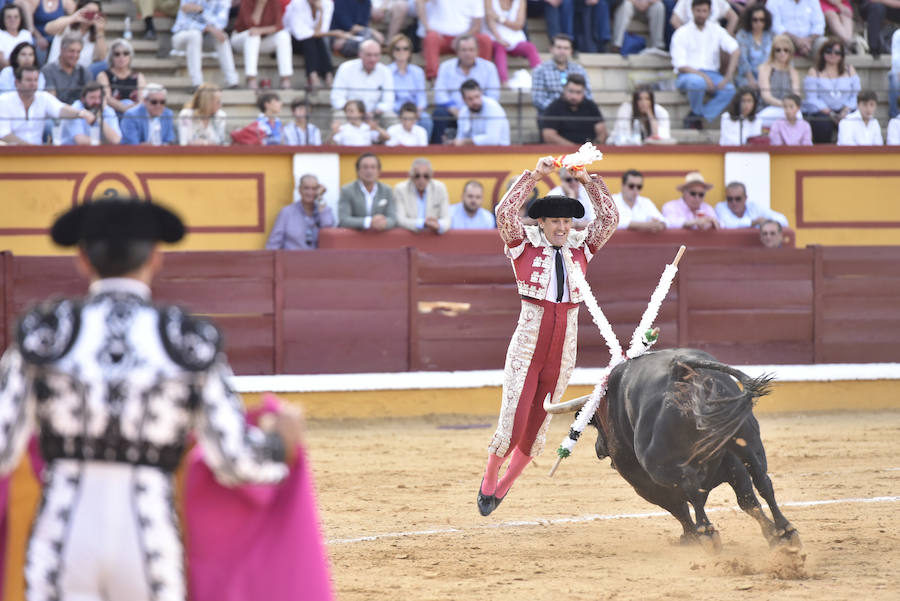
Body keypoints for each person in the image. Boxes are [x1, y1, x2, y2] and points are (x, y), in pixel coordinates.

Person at [0, 197, 303, 600]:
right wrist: (280, 443)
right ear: (156, 258)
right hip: (148, 541)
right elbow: (236, 460)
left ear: (82, 260)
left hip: (62, 537)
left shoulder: (43, 334)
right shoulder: (185, 340)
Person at [476, 154, 618, 517]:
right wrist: (535, 175)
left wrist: (588, 180)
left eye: (567, 221)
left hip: (563, 350)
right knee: (514, 420)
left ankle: (504, 487)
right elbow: (504, 213)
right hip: (528, 346)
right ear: (542, 221)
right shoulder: (523, 242)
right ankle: (490, 475)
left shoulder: (581, 246)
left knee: (538, 427)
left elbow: (610, 219)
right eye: (555, 220)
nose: (562, 227)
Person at [670, 0, 739, 128]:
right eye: (698, 11)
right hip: (687, 75)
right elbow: (680, 65)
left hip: (712, 75)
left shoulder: (716, 30)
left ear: (709, 12)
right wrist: (704, 77)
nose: (701, 14)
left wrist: (728, 76)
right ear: (692, 11)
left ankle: (698, 116)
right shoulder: (681, 33)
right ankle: (696, 113)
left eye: (704, 11)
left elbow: (735, 49)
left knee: (730, 90)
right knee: (697, 83)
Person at [431, 34, 501, 144]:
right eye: (464, 50)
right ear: (457, 52)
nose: (467, 53)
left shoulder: (489, 67)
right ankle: (437, 151)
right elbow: (439, 94)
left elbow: (493, 95)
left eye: (471, 50)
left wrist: (474, 108)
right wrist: (456, 111)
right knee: (439, 113)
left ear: (477, 51)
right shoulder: (446, 67)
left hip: (479, 111)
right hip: (453, 112)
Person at [0, 63, 94, 143]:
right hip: (9, 156)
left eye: (35, 80)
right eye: (29, 80)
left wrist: (80, 113)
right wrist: (29, 148)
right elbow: (4, 134)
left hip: (38, 155)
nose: (33, 84)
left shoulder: (43, 97)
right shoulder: (4, 101)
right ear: (17, 83)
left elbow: (60, 110)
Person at [416, 0, 493, 80]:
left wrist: (462, 38)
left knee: (485, 39)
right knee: (431, 37)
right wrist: (427, 27)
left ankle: (483, 78)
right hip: (441, 39)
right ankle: (433, 78)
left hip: (466, 38)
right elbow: (419, 2)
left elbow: (477, 25)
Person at [171, 0, 239, 89]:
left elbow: (220, 24)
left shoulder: (223, 1)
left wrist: (202, 11)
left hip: (205, 38)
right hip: (181, 37)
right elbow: (184, 23)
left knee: (223, 37)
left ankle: (232, 81)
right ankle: (197, 83)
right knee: (195, 35)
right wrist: (206, 27)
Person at [803, 37, 859, 143]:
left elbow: (855, 96)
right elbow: (812, 99)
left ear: (842, 55)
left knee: (852, 120)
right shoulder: (814, 71)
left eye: (837, 52)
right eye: (829, 51)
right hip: (823, 111)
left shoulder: (850, 70)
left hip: (846, 110)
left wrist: (845, 111)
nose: (833, 55)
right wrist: (831, 113)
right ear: (822, 53)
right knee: (822, 123)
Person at [230, 0, 294, 90]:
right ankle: (251, 78)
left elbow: (279, 26)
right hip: (241, 39)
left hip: (262, 40)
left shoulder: (275, 2)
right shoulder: (246, 1)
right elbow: (251, 25)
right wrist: (260, 5)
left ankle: (285, 78)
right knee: (253, 36)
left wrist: (261, 30)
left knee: (284, 36)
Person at [329, 39, 395, 123]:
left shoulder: (385, 71)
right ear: (360, 54)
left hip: (375, 115)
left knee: (391, 117)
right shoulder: (346, 68)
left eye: (376, 55)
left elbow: (389, 101)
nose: (372, 59)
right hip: (350, 114)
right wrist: (354, 111)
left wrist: (375, 112)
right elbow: (336, 98)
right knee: (339, 116)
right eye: (369, 55)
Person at [266, 174, 336, 249]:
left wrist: (320, 198)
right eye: (306, 188)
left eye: (314, 189)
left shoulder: (323, 211)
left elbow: (328, 228)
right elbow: (274, 243)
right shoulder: (287, 212)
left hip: (317, 259)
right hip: (291, 258)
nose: (310, 192)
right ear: (299, 190)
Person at [530, 33, 593, 116]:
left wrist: (573, 110)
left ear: (571, 51)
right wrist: (560, 111)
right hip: (551, 116)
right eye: (559, 47)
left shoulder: (579, 70)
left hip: (576, 115)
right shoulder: (540, 70)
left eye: (566, 48)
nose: (562, 51)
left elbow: (588, 95)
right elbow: (538, 100)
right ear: (551, 49)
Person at [540, 73, 607, 145]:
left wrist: (592, 148)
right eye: (571, 91)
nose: (574, 96)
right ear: (564, 90)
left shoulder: (591, 106)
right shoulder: (554, 108)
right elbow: (548, 136)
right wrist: (575, 149)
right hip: (562, 153)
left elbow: (602, 133)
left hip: (589, 152)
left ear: (584, 92)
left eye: (578, 92)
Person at [484, 0, 541, 85]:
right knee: (500, 48)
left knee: (530, 47)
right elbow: (489, 19)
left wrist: (500, 19)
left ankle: (541, 78)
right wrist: (499, 38)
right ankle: (504, 82)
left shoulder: (521, 1)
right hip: (495, 36)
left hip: (515, 39)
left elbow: (519, 25)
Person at [45, 0, 106, 76]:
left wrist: (100, 31)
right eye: (88, 12)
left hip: (80, 77)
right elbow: (48, 29)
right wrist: (74, 18)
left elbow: (101, 58)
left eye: (95, 13)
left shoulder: (96, 34)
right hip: (56, 72)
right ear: (80, 9)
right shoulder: (66, 25)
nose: (91, 16)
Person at [337, 152, 397, 230]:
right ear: (358, 171)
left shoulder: (386, 190)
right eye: (365, 167)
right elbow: (343, 219)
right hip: (355, 239)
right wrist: (369, 222)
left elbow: (392, 218)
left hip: (379, 238)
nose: (369, 171)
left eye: (373, 167)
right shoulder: (347, 190)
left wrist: (384, 223)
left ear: (378, 171)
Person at [387, 33, 431, 139]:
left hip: (414, 111)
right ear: (392, 52)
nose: (402, 52)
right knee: (390, 119)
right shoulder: (386, 71)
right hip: (396, 111)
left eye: (405, 49)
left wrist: (418, 111)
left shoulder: (418, 71)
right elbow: (388, 97)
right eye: (397, 49)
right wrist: (403, 114)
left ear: (410, 52)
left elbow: (421, 96)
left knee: (426, 120)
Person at [283, 0, 335, 90]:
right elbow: (300, 33)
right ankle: (320, 76)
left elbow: (322, 31)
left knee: (316, 40)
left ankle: (321, 75)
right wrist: (335, 33)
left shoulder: (327, 4)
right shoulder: (296, 4)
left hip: (314, 41)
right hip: (293, 40)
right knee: (310, 40)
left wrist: (321, 12)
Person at [755, 33, 802, 128]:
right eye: (778, 50)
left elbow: (796, 95)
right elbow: (766, 96)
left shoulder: (793, 72)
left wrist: (789, 107)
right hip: (768, 108)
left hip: (788, 109)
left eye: (786, 50)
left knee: (799, 117)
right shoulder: (765, 68)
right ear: (773, 52)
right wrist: (785, 106)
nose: (782, 53)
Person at [393, 157, 451, 233]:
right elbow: (399, 219)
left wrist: (439, 225)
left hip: (433, 238)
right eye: (417, 176)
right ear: (411, 176)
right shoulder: (400, 189)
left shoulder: (440, 188)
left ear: (430, 176)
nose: (421, 179)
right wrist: (422, 223)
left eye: (426, 176)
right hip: (409, 237)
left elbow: (447, 219)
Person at [60, 79, 119, 144]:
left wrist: (99, 118)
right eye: (92, 97)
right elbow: (81, 141)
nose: (97, 101)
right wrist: (106, 145)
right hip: (70, 152)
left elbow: (116, 140)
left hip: (96, 151)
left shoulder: (107, 110)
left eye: (100, 97)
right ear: (83, 99)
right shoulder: (75, 110)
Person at [454, 77, 510, 145]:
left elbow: (492, 140)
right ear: (463, 99)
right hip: (474, 153)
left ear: (481, 93)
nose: (475, 102)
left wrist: (465, 142)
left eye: (477, 96)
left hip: (499, 152)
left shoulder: (493, 107)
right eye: (470, 99)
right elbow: (460, 138)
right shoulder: (464, 112)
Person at [95, 38, 142, 115]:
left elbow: (142, 100)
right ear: (111, 57)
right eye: (117, 54)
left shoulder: (139, 76)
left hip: (134, 115)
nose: (121, 57)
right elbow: (107, 98)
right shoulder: (103, 75)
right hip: (113, 114)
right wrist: (126, 109)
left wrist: (131, 111)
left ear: (130, 56)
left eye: (125, 53)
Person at [41, 32, 91, 104]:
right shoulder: (48, 70)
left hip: (81, 112)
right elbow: (51, 101)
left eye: (78, 52)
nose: (75, 55)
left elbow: (89, 98)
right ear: (62, 49)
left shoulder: (85, 72)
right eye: (71, 51)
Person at [714, 181, 789, 228]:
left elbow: (783, 220)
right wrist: (754, 222)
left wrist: (765, 221)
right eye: (730, 199)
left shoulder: (754, 206)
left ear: (745, 198)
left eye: (738, 199)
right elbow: (729, 224)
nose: (734, 202)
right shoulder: (721, 207)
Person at [735, 3, 773, 89]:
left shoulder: (771, 35)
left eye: (762, 20)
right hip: (748, 76)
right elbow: (742, 60)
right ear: (749, 20)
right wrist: (751, 79)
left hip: (768, 75)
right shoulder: (742, 35)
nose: (758, 23)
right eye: (755, 20)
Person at [670, 0, 738, 32]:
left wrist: (726, 36)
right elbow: (674, 20)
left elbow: (733, 17)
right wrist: (686, 34)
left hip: (714, 38)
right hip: (692, 37)